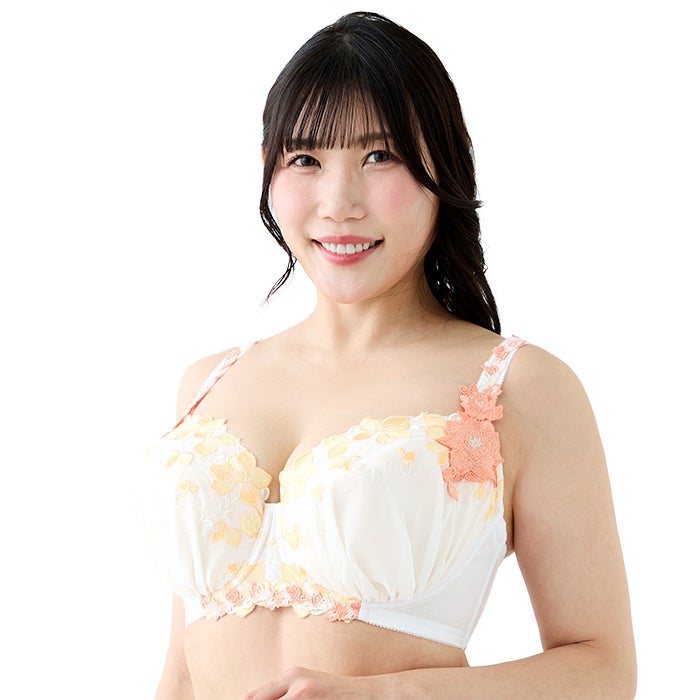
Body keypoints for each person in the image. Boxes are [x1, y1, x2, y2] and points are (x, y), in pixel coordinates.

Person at [144, 11, 636, 699]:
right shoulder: (210, 382)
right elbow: (181, 672)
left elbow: (602, 670)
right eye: (305, 159)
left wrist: (380, 695)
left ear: (445, 164)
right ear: (267, 170)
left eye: (380, 157)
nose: (338, 203)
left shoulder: (518, 385)